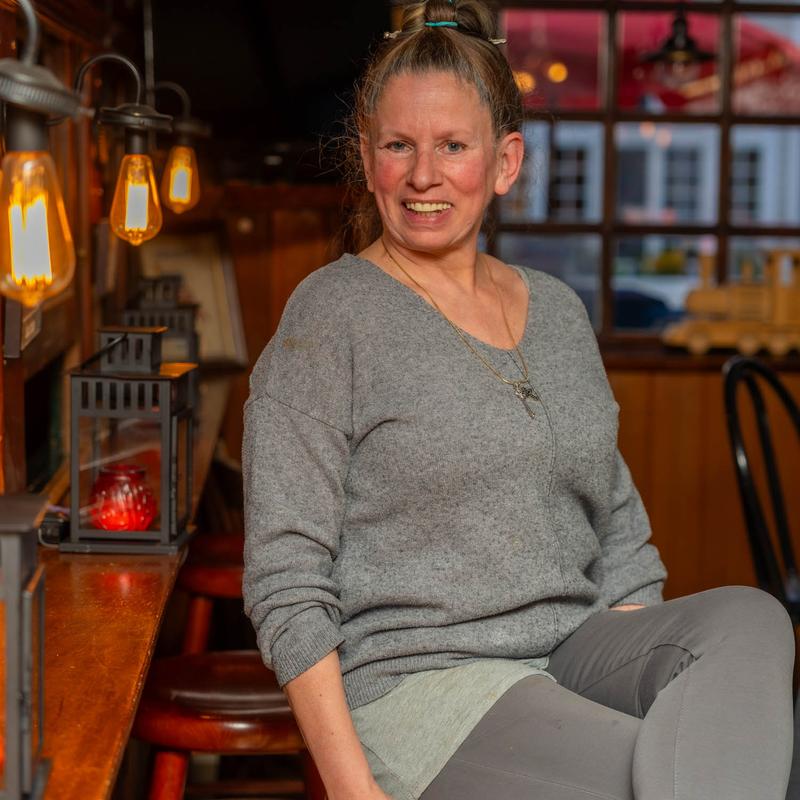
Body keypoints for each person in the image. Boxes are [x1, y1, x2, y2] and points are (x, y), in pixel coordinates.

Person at [242, 2, 795, 798]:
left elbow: (615, 525)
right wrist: (354, 791)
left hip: (572, 650)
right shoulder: (332, 316)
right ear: (366, 159)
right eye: (398, 146)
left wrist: (652, 695)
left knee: (752, 621)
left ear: (504, 162)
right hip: (425, 683)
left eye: (453, 145)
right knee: (672, 771)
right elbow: (287, 579)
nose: (423, 175)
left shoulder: (558, 310)